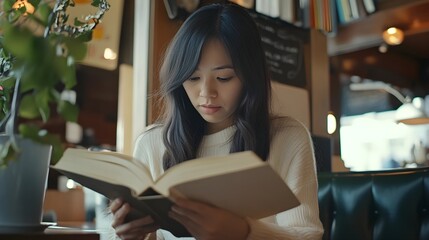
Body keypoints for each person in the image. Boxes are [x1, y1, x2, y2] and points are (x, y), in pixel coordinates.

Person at [109, 3, 323, 240]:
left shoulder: (286, 137)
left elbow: (308, 236)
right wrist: (130, 234)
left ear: (250, 76)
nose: (206, 93)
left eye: (224, 77)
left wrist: (244, 232)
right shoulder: (153, 143)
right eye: (192, 77)